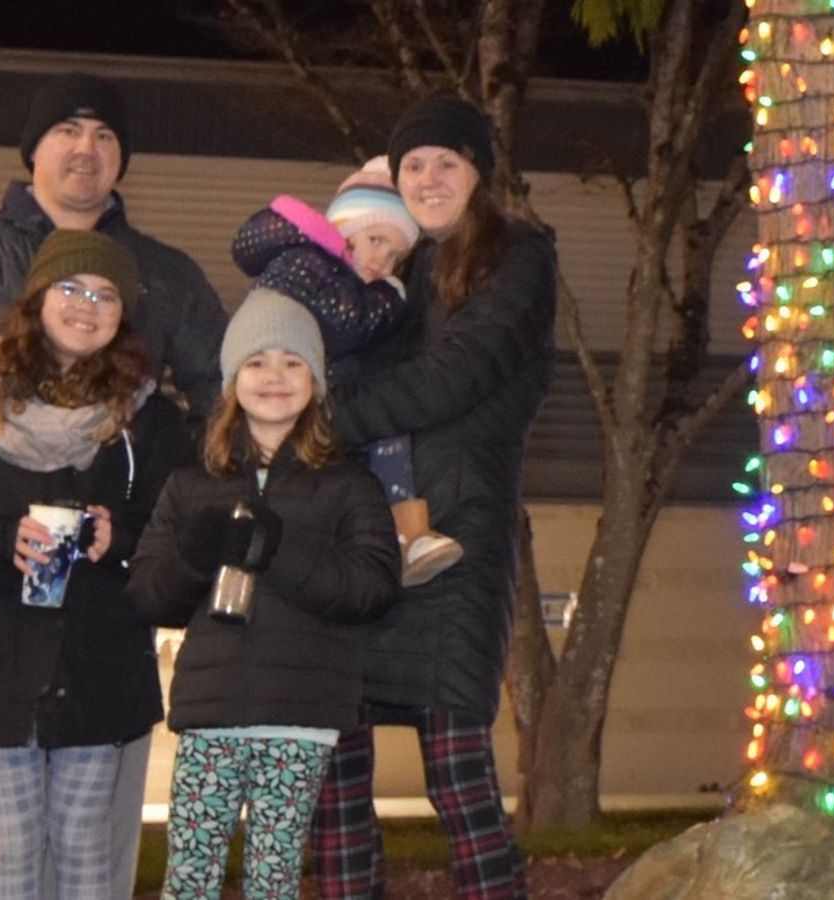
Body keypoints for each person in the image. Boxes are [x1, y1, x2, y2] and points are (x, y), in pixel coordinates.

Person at [0, 72, 227, 900]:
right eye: (67, 129)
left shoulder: (166, 275)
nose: (85, 148)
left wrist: (157, 550)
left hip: (102, 615)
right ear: (33, 148)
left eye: (105, 134)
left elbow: (221, 413)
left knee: (91, 834)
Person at [0, 229, 190, 900]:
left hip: (97, 661)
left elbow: (180, 528)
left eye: (105, 295)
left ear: (124, 315)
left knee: (83, 840)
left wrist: (121, 537)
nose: (86, 306)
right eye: (71, 288)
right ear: (37, 299)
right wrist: (3, 538)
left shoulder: (152, 421)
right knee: (14, 844)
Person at [310, 94, 558, 899]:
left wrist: (323, 423)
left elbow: (455, 376)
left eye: (446, 161)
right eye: (412, 165)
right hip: (363, 533)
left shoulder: (516, 256)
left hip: (457, 532)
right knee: (337, 774)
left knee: (456, 772)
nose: (428, 178)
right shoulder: (392, 267)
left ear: (478, 171)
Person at [126, 289, 401, 899]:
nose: (274, 376)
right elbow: (148, 596)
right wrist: (193, 556)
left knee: (272, 880)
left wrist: (278, 550)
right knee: (190, 877)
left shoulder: (349, 485)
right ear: (232, 382)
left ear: (316, 383)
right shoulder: (191, 485)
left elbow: (373, 586)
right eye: (256, 362)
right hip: (213, 713)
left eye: (292, 362)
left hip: (300, 716)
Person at [230, 155, 462, 586]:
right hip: (299, 405)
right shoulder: (305, 262)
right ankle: (403, 534)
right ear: (342, 229)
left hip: (326, 402)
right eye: (375, 240)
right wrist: (392, 296)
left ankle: (405, 534)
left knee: (387, 436)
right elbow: (345, 326)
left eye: (394, 256)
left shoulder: (331, 273)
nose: (382, 261)